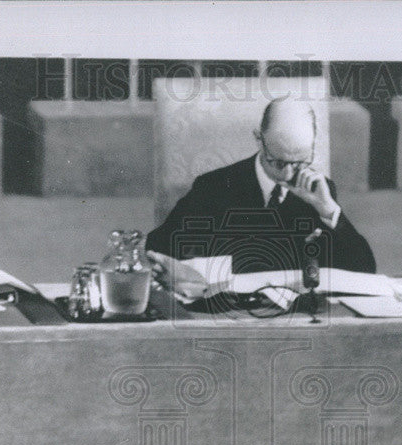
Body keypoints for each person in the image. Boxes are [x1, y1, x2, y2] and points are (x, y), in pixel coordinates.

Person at [146, 96, 376, 298]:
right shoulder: (214, 186)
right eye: (278, 162)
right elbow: (160, 247)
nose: (288, 174)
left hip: (297, 318)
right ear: (259, 139)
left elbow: (364, 270)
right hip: (227, 313)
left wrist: (328, 211)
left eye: (301, 162)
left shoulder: (319, 190)